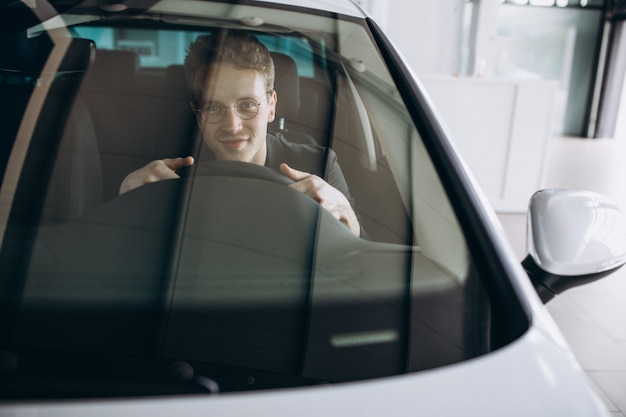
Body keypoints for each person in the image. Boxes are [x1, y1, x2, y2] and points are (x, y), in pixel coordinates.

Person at [119, 30, 361, 236]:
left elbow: (361, 262)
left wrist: (348, 220)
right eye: (214, 108)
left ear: (271, 106)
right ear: (198, 115)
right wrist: (123, 203)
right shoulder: (163, 175)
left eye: (247, 105)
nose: (232, 126)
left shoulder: (320, 166)